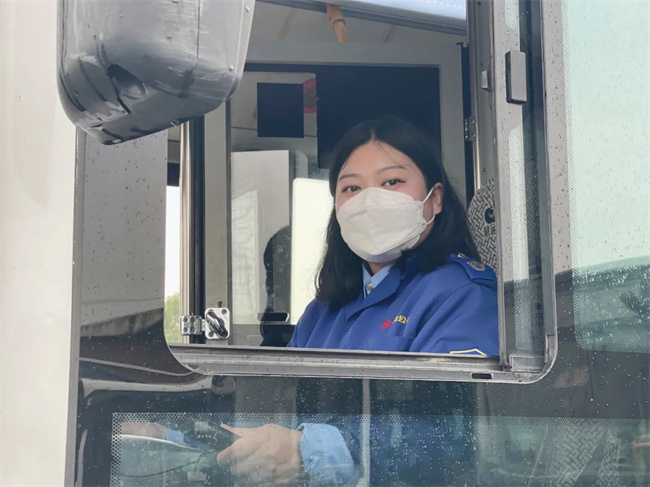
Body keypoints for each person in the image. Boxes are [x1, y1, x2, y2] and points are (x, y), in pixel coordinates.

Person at [217, 116, 499, 485]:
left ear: (435, 199)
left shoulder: (463, 296)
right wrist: (179, 437)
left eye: (392, 182)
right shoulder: (322, 312)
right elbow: (280, 412)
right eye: (351, 188)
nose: (369, 201)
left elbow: (455, 435)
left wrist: (309, 451)